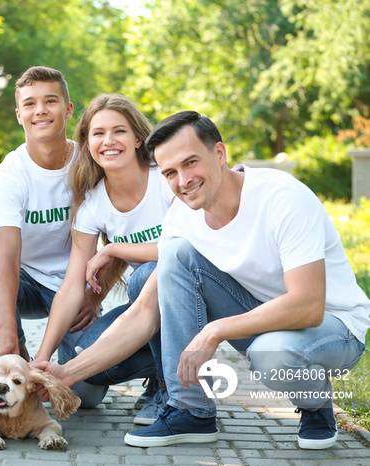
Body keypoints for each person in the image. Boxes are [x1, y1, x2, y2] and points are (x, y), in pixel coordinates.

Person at [35, 110, 370, 450]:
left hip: (334, 328)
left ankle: (316, 405)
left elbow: (308, 306)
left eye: (191, 162)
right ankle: (190, 410)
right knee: (176, 256)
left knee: (272, 353)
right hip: (264, 320)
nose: (183, 180)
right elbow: (142, 314)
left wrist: (214, 331)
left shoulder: (282, 198)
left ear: (220, 154)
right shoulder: (184, 216)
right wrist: (68, 372)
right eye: (170, 173)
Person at [33, 94, 171, 410]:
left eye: (119, 131)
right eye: (98, 133)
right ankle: (158, 371)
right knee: (90, 368)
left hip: (197, 298)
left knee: (147, 277)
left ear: (138, 138)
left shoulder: (164, 177)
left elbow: (186, 249)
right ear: (87, 143)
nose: (108, 140)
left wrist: (113, 248)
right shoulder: (93, 202)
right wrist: (42, 359)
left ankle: (171, 390)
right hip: (151, 308)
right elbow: (71, 287)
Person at [0, 66, 101, 372]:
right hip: (25, 280)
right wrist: (5, 329)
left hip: (74, 285)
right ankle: (20, 362)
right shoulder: (11, 173)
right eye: (30, 103)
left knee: (87, 393)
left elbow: (114, 239)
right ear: (19, 114)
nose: (40, 111)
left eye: (50, 101)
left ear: (68, 110)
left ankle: (63, 365)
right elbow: (7, 254)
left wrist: (96, 296)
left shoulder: (91, 164)